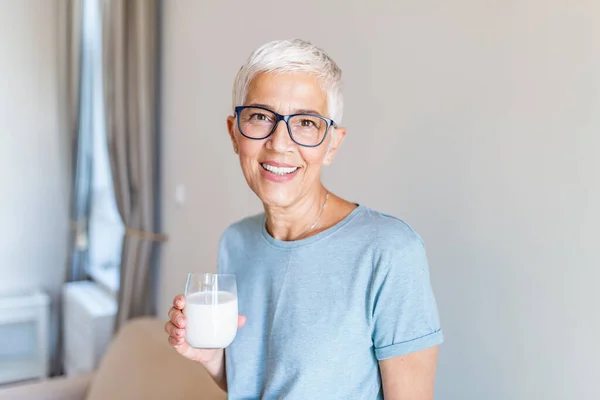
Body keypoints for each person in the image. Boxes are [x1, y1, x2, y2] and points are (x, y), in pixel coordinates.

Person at [165, 39, 443, 399]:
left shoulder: (389, 251)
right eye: (261, 117)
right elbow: (256, 383)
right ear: (235, 133)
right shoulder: (235, 242)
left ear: (332, 144)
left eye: (306, 122)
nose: (280, 143)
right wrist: (210, 357)